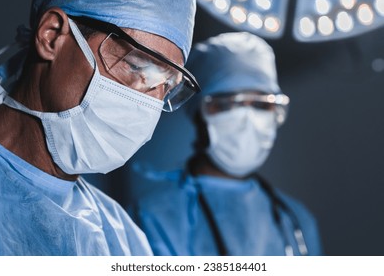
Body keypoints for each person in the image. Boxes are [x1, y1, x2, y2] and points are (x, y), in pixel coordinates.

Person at [0, 0, 199, 255]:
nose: (148, 103)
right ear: (51, 35)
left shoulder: (124, 241)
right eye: (135, 66)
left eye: (166, 86)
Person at [131, 32, 323, 256]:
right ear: (198, 113)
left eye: (261, 105)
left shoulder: (295, 220)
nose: (247, 120)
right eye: (228, 105)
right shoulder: (153, 218)